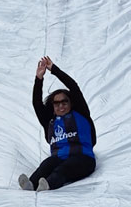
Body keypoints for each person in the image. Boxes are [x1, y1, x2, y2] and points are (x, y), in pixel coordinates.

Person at [18, 57, 96, 192]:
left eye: (64, 102)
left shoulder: (81, 113)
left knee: (65, 168)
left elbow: (73, 87)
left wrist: (54, 70)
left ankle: (48, 184)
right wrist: (39, 79)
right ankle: (31, 184)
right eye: (57, 103)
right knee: (47, 165)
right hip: (59, 157)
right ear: (52, 106)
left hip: (83, 158)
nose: (61, 106)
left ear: (70, 103)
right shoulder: (50, 121)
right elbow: (37, 103)